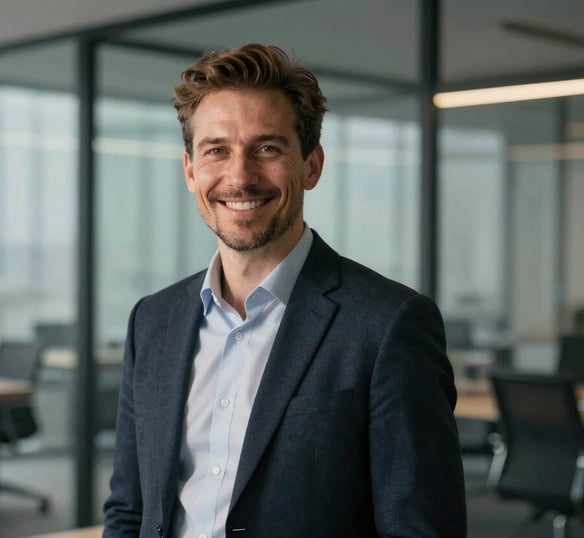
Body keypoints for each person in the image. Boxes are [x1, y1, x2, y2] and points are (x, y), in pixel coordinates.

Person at [103, 43, 466, 538]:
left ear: (311, 165)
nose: (239, 176)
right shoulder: (153, 321)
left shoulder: (388, 324)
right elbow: (130, 508)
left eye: (267, 148)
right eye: (217, 150)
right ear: (190, 170)